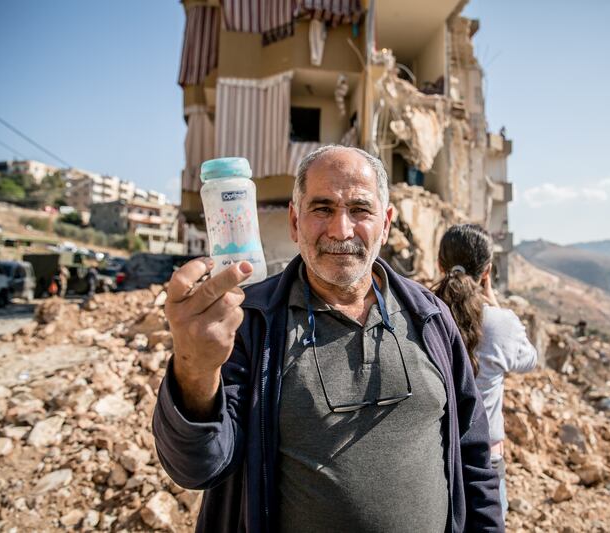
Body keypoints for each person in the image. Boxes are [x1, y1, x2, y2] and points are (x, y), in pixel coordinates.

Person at [153, 146, 504, 532]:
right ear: (294, 221)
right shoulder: (247, 322)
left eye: (360, 210)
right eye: (322, 208)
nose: (341, 229)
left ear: (385, 224)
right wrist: (195, 369)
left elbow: (474, 460)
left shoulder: (431, 319)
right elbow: (198, 465)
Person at [432, 224, 537, 519]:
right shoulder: (501, 323)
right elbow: (529, 359)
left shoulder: (420, 313)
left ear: (439, 264)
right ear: (487, 271)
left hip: (430, 454)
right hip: (484, 459)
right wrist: (494, 303)